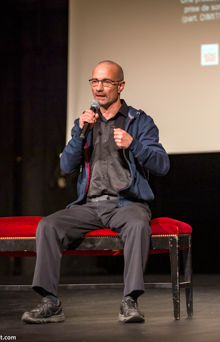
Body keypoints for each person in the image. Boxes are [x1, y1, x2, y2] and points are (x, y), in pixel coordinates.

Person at [22, 61, 170, 324]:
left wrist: (134, 144)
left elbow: (162, 165)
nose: (99, 88)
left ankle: (130, 301)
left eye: (106, 82)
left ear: (120, 86)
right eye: (94, 81)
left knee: (138, 225)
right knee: (48, 225)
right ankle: (50, 302)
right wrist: (79, 135)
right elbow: (66, 165)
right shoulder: (84, 123)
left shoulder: (139, 121)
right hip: (89, 206)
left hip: (126, 204)